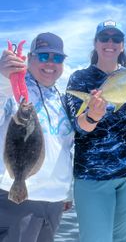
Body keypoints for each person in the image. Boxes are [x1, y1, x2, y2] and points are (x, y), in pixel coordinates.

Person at [65, 20, 126, 242]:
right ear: (95, 44)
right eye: (104, 38)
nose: (110, 43)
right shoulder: (79, 78)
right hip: (92, 175)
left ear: (122, 45)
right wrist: (93, 116)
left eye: (116, 39)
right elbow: (78, 127)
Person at [0, 32, 74, 242]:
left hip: (55, 202)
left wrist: (66, 191)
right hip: (16, 199)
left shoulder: (62, 98)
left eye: (57, 58)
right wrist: (2, 79)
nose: (51, 63)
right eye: (43, 56)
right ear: (29, 58)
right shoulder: (13, 89)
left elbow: (65, 149)